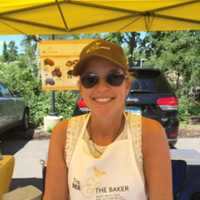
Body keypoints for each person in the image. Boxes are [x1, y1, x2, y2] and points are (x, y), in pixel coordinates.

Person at [43, 39, 173, 200]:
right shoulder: (63, 134)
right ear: (81, 88)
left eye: (113, 77)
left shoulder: (150, 134)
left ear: (126, 85)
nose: (102, 88)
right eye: (90, 79)